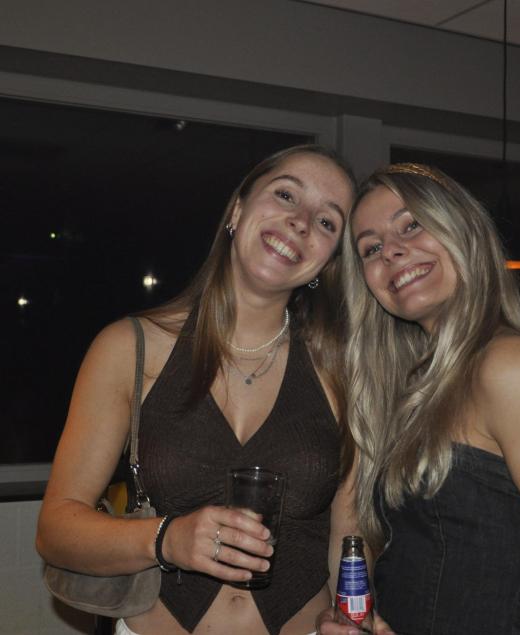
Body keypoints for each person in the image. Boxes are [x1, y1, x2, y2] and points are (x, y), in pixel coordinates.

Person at [36, 144, 360, 635]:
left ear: (329, 261)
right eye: (286, 195)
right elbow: (56, 531)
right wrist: (167, 539)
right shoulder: (129, 348)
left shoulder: (341, 370)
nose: (301, 222)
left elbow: (349, 538)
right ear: (237, 211)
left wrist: (352, 618)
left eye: (327, 222)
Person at [319, 163, 520, 635]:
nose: (392, 251)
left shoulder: (511, 368)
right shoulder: (412, 386)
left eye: (411, 225)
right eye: (371, 248)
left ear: (461, 231)